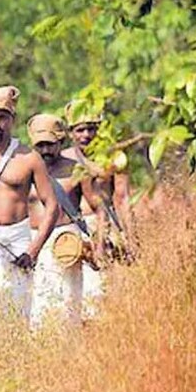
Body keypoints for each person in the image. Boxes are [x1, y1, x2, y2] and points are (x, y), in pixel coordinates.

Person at [0, 86, 59, 328]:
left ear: (12, 119)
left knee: (18, 312)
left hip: (18, 241)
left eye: (2, 117)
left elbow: (52, 206)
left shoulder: (29, 158)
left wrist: (33, 250)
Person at [26, 114, 97, 329]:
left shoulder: (76, 169)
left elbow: (98, 207)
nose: (45, 151)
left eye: (50, 145)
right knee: (34, 305)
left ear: (62, 142)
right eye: (41, 146)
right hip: (31, 241)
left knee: (67, 304)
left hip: (66, 242)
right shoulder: (24, 168)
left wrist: (99, 241)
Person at [61, 102, 132, 316]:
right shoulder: (65, 158)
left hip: (106, 227)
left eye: (91, 128)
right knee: (70, 298)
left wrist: (130, 237)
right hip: (74, 233)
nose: (86, 135)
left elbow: (123, 198)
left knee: (101, 296)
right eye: (80, 130)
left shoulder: (114, 157)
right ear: (71, 132)